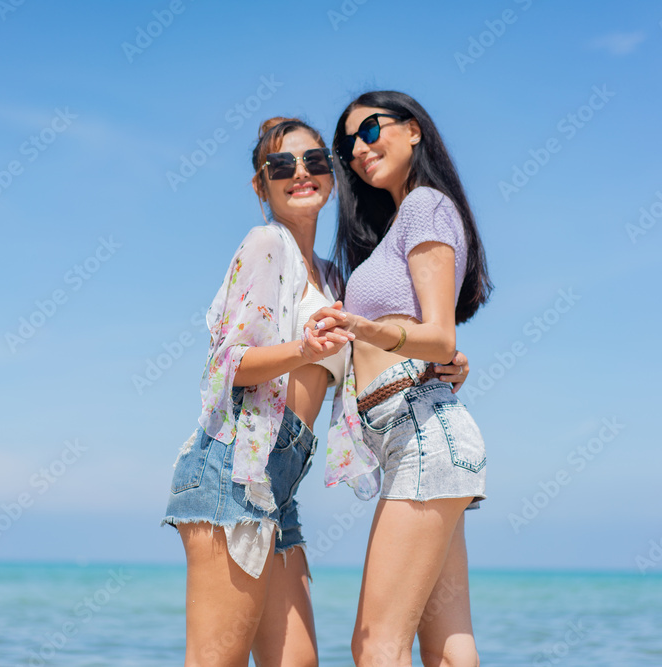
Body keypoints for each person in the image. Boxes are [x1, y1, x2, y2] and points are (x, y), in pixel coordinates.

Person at [162, 115, 473, 666]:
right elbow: (225, 366)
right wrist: (302, 351)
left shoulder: (334, 280)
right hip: (231, 469)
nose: (300, 173)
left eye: (314, 162)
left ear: (330, 177)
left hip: (278, 488)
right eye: (282, 165)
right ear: (261, 186)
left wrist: (441, 363)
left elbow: (372, 358)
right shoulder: (266, 246)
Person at [320, 91, 494, 667]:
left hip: (420, 430)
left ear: (413, 129)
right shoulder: (400, 221)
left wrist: (363, 329)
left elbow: (441, 336)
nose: (359, 149)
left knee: (375, 645)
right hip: (418, 431)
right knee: (445, 646)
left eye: (371, 130)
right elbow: (434, 342)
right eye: (348, 145)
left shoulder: (424, 206)